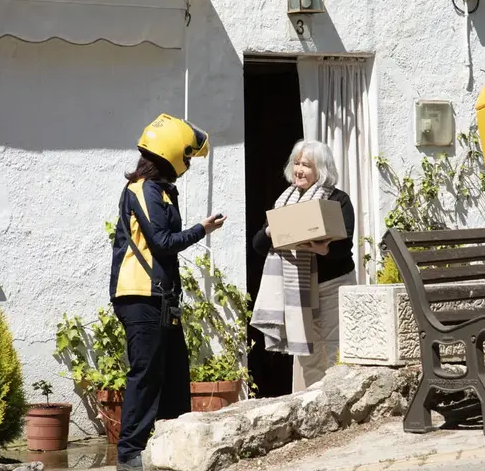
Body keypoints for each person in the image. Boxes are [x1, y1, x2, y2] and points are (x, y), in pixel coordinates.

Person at [110, 113, 226, 471]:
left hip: (160, 297)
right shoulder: (143, 190)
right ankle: (129, 454)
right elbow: (161, 242)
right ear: (171, 153)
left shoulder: (160, 191)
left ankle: (174, 444)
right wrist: (200, 230)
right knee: (145, 373)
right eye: (187, 156)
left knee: (175, 371)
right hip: (139, 296)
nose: (188, 163)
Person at [250, 139, 356, 391]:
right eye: (296, 163)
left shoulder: (338, 200)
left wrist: (325, 249)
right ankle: (316, 408)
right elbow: (258, 244)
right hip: (299, 288)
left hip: (333, 284)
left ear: (321, 169)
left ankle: (340, 400)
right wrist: (269, 231)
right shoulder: (285, 202)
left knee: (334, 348)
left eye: (306, 165)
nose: (298, 170)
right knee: (308, 355)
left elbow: (346, 245)